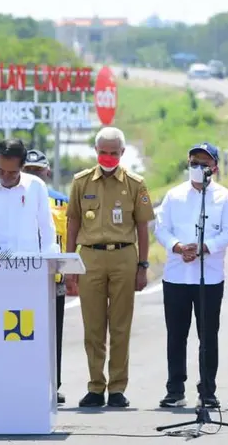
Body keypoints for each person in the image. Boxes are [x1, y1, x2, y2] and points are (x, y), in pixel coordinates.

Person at [65, 127, 156, 408]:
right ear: (96, 152)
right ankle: (95, 386)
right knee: (93, 326)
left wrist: (142, 265)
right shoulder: (81, 182)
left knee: (120, 326)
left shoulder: (134, 183)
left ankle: (117, 388)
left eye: (113, 153)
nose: (107, 157)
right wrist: (70, 264)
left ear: (122, 153)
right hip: (90, 257)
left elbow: (143, 226)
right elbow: (73, 223)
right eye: (103, 152)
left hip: (123, 258)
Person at [154, 143, 228, 409]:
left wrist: (204, 247)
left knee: (208, 336)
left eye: (203, 163)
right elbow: (161, 228)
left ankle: (208, 391)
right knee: (176, 335)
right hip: (176, 275)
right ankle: (175, 389)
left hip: (209, 277)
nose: (197, 167)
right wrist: (178, 246)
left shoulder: (224, 197)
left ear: (214, 167)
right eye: (193, 162)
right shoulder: (173, 195)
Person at [23, 149, 69, 405]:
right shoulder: (14, 198)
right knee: (23, 332)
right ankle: (27, 382)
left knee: (53, 335)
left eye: (37, 171)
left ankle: (54, 384)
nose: (34, 176)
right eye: (28, 171)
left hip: (54, 278)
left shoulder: (62, 201)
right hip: (24, 277)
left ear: (47, 172)